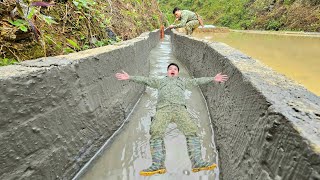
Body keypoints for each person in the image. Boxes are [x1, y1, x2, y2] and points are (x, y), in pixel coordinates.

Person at [115, 63, 228, 176]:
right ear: (167, 72)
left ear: (178, 73)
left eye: (175, 69)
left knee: (192, 131)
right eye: (170, 69)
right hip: (163, 109)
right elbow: (145, 80)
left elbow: (197, 81)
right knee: (155, 132)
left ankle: (197, 162)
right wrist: (130, 77)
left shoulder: (183, 82)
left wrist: (213, 78)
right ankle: (158, 165)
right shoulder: (160, 81)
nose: (172, 70)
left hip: (180, 109)